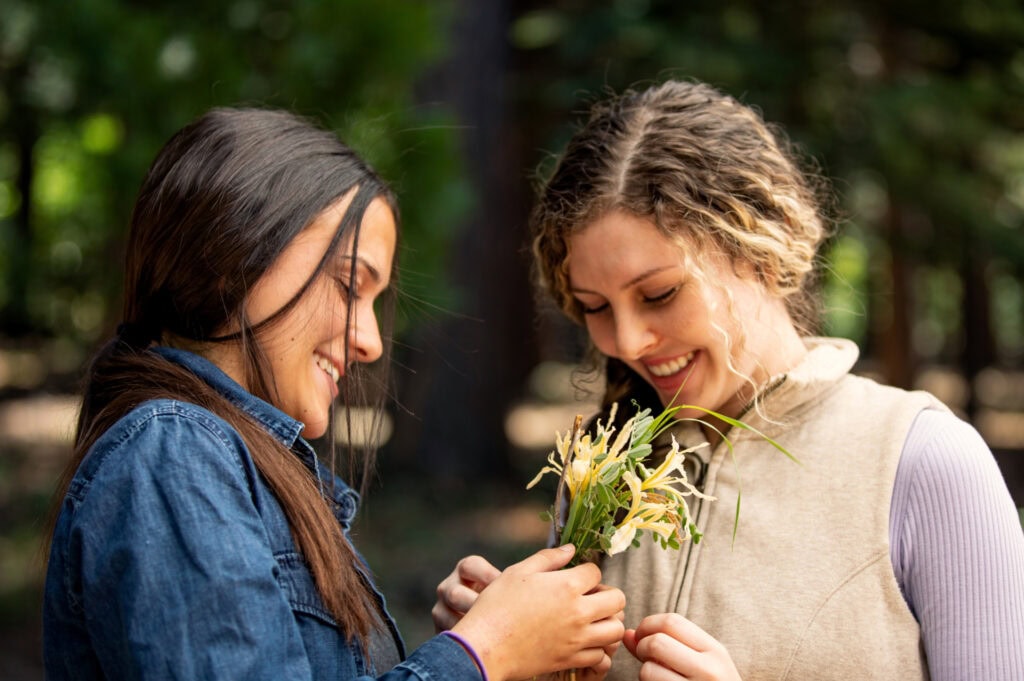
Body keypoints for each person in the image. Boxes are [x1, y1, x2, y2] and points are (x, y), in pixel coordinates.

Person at [434, 79, 1024, 680]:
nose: (628, 341)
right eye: (595, 306)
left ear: (761, 248)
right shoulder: (599, 474)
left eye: (660, 293)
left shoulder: (922, 463)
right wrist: (495, 651)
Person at [41, 107, 627, 681]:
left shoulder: (226, 463)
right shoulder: (173, 454)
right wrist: (481, 654)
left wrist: (506, 644)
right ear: (233, 257)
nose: (371, 341)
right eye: (349, 285)